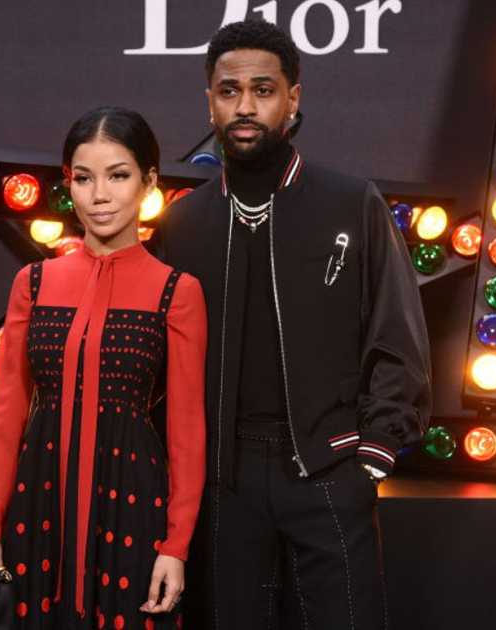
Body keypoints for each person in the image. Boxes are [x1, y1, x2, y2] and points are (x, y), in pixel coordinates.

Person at [156, 20, 432, 629]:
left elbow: (398, 337)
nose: (246, 106)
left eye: (263, 89)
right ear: (210, 101)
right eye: (229, 91)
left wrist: (375, 457)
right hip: (223, 481)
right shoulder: (183, 225)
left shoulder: (351, 202)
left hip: (330, 464)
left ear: (293, 98)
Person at [0, 106, 208, 629]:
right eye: (84, 178)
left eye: (118, 176)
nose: (99, 195)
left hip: (134, 507)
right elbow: (3, 417)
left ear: (149, 182)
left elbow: (186, 431)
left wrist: (176, 546)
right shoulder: (33, 283)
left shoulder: (177, 291)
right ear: (68, 184)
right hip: (37, 504)